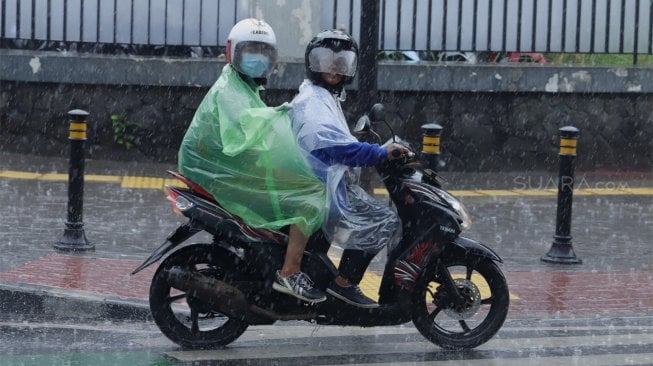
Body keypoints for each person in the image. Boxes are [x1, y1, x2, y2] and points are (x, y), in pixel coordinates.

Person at [178, 19, 327, 303]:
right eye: (250, 49)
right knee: (310, 197)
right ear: (232, 51)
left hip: (227, 167)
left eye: (264, 50)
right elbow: (243, 134)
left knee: (301, 183)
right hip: (217, 172)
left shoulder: (240, 85)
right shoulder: (229, 90)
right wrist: (281, 115)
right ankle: (290, 271)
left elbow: (254, 131)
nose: (257, 56)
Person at [289, 30, 409, 308]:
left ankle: (321, 271)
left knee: (362, 221)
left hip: (324, 184)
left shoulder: (322, 96)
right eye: (325, 60)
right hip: (320, 189)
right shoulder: (315, 101)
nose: (333, 67)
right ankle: (343, 285)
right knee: (382, 220)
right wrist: (379, 153)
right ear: (312, 62)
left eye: (341, 61)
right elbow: (337, 147)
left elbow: (336, 141)